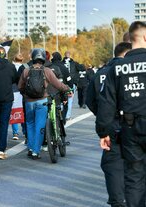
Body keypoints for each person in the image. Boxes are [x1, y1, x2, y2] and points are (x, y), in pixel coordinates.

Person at [96, 21, 146, 207]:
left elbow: (106, 103)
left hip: (130, 129)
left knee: (134, 177)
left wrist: (104, 132)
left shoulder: (117, 68)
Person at [87, 42, 132, 207]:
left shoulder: (101, 73)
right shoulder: (133, 70)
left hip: (111, 125)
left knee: (112, 163)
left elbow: (90, 100)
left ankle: (118, 200)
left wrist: (103, 120)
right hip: (134, 124)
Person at [18, 49, 70, 160]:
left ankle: (31, 148)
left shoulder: (26, 71)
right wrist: (67, 88)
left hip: (29, 102)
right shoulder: (46, 70)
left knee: (30, 124)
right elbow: (58, 84)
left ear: (32, 58)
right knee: (40, 126)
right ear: (43, 58)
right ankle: (36, 152)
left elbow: (20, 87)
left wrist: (26, 95)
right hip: (42, 101)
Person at [0, 47, 18, 160]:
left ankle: (0, 142)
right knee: (4, 122)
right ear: (5, 55)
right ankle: (1, 148)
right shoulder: (11, 66)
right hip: (7, 98)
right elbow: (15, 79)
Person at [11, 53, 24, 140]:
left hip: (13, 90)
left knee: (14, 111)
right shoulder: (24, 67)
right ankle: (24, 131)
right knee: (22, 111)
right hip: (22, 91)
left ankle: (15, 133)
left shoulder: (11, 67)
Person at [62, 51, 78, 120]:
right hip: (71, 83)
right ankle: (68, 116)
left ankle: (62, 115)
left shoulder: (61, 63)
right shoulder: (74, 63)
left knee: (62, 99)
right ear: (70, 55)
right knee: (70, 100)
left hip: (63, 83)